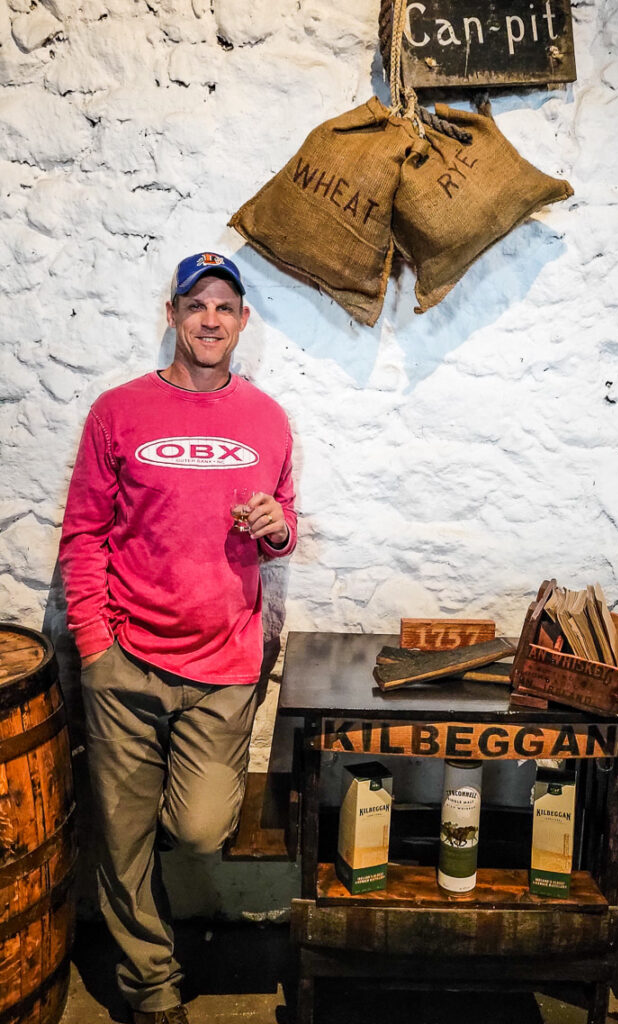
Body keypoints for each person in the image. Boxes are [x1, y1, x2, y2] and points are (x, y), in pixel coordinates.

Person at [59, 252, 297, 1024]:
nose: (210, 320)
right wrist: (95, 647)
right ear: (172, 315)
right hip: (125, 660)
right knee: (122, 843)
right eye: (196, 305)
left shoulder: (266, 418)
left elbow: (282, 526)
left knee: (197, 830)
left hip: (224, 663)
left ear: (242, 323)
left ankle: (156, 893)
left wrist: (277, 531)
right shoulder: (118, 411)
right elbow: (84, 534)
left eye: (225, 307)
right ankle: (152, 988)